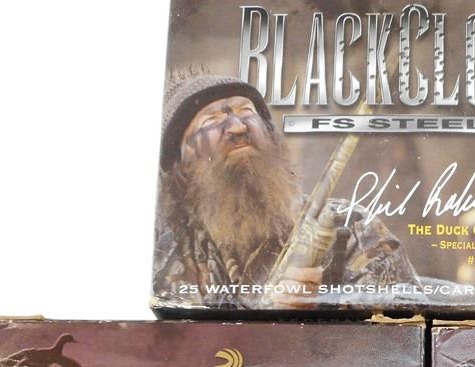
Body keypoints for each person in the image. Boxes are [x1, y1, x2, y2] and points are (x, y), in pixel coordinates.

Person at [154, 73, 419, 309]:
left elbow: (403, 327)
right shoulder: (167, 256)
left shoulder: (353, 230)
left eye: (246, 111)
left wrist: (321, 311)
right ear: (182, 165)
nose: (237, 127)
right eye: (211, 120)